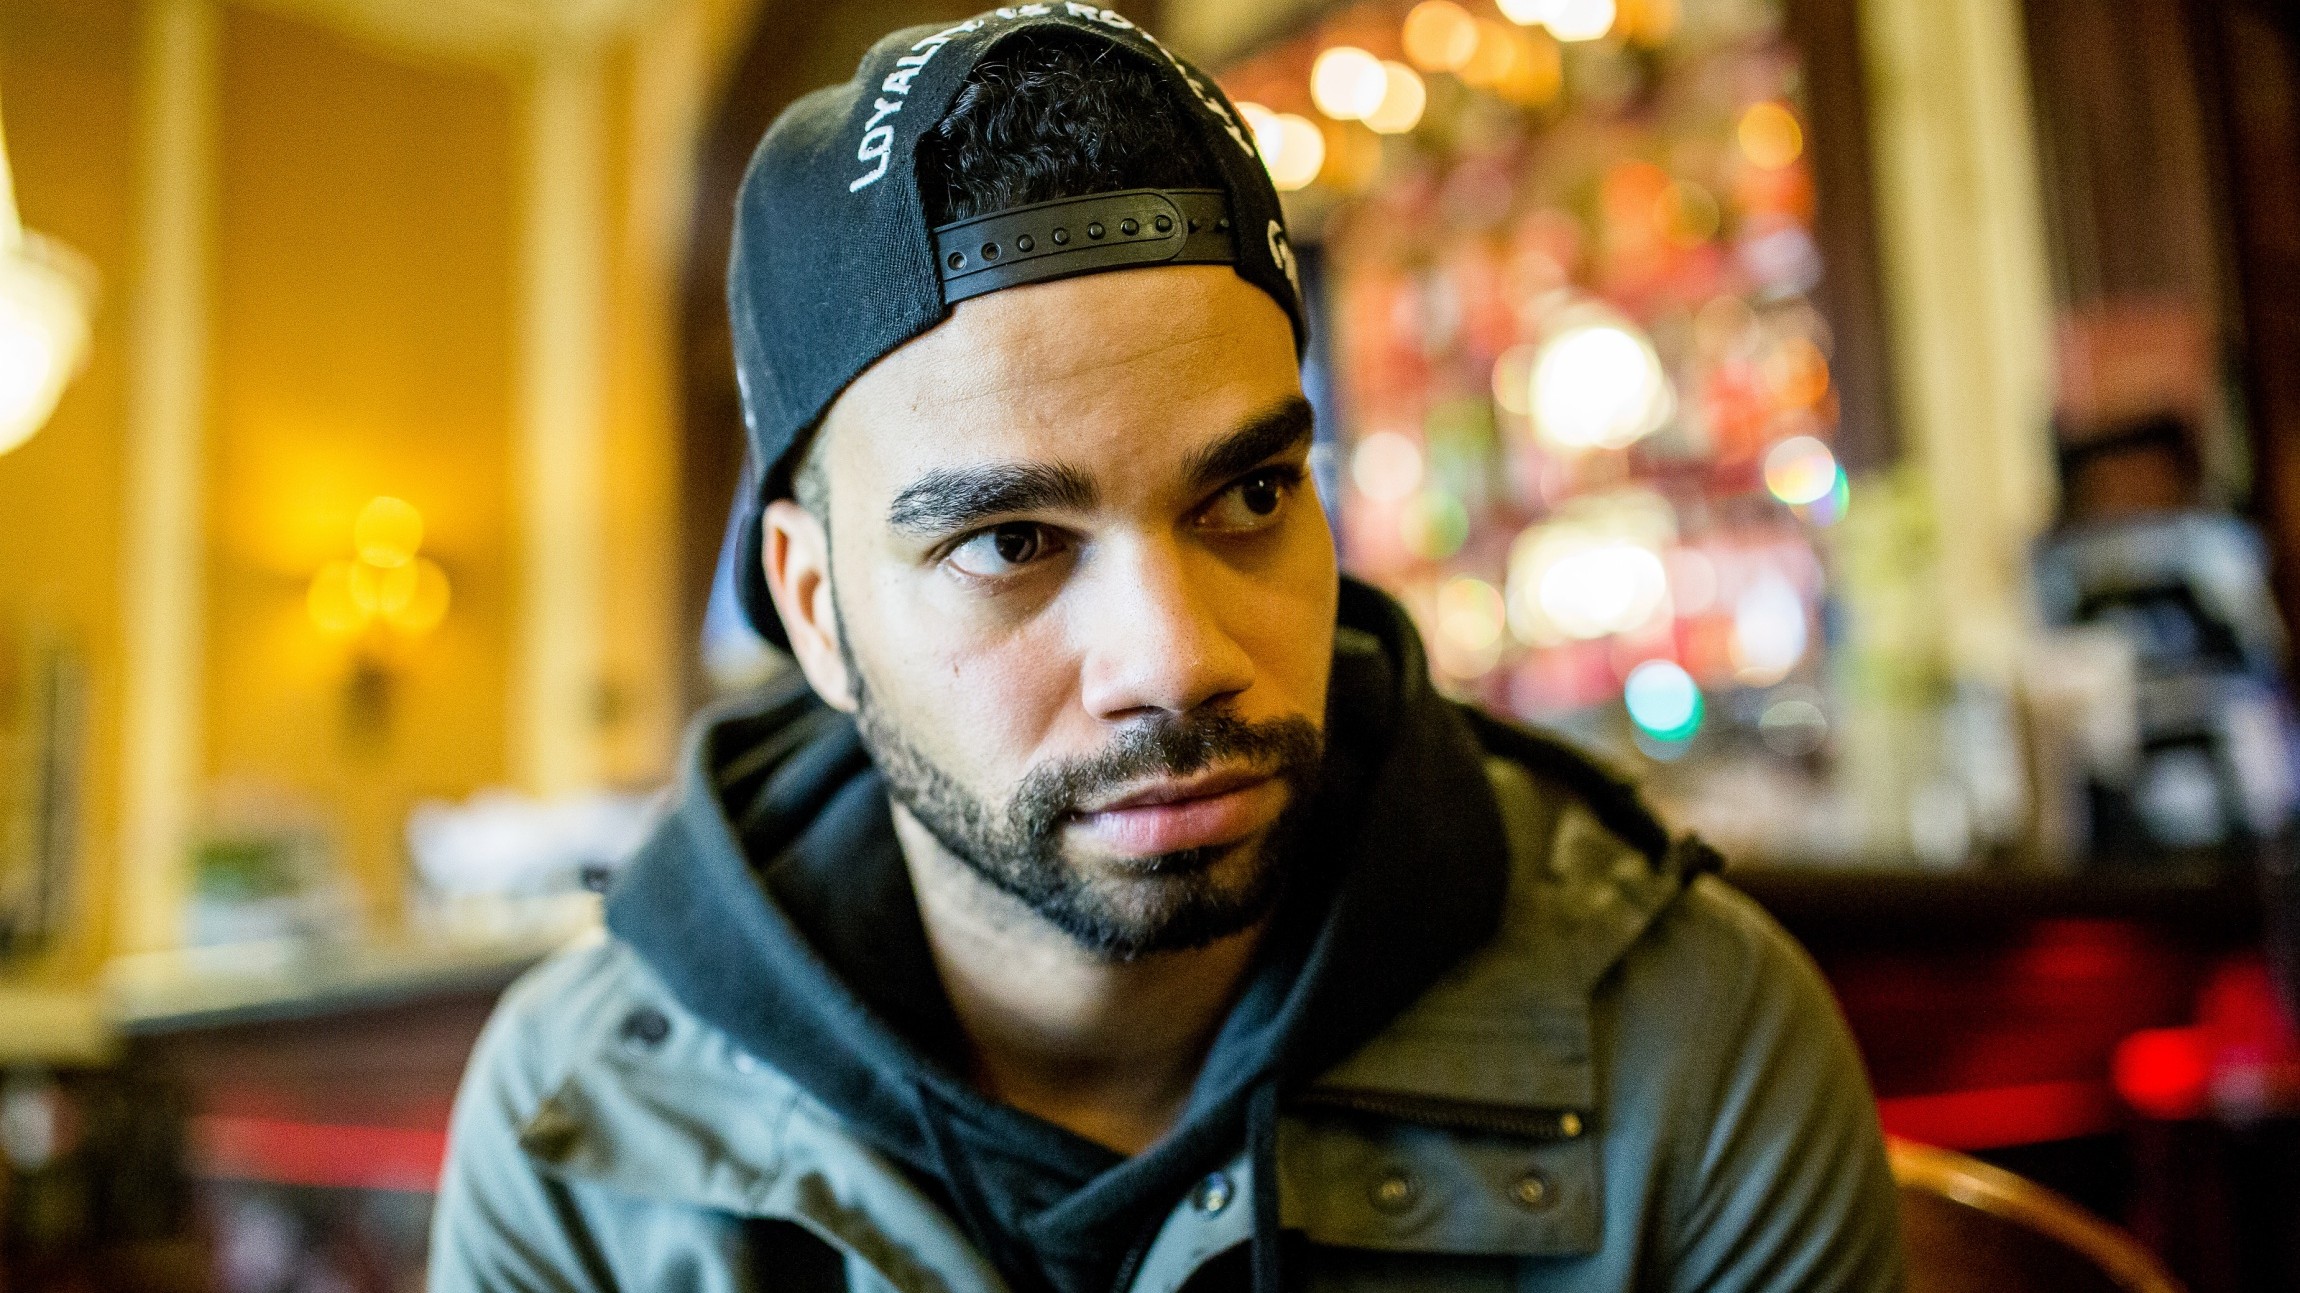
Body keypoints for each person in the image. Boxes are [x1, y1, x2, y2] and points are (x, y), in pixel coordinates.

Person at [428, 9, 1905, 1292]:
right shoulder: (580, 1124)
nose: (1177, 658)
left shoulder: (1691, 1048)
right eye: (1011, 540)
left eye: (1249, 496)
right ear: (815, 609)